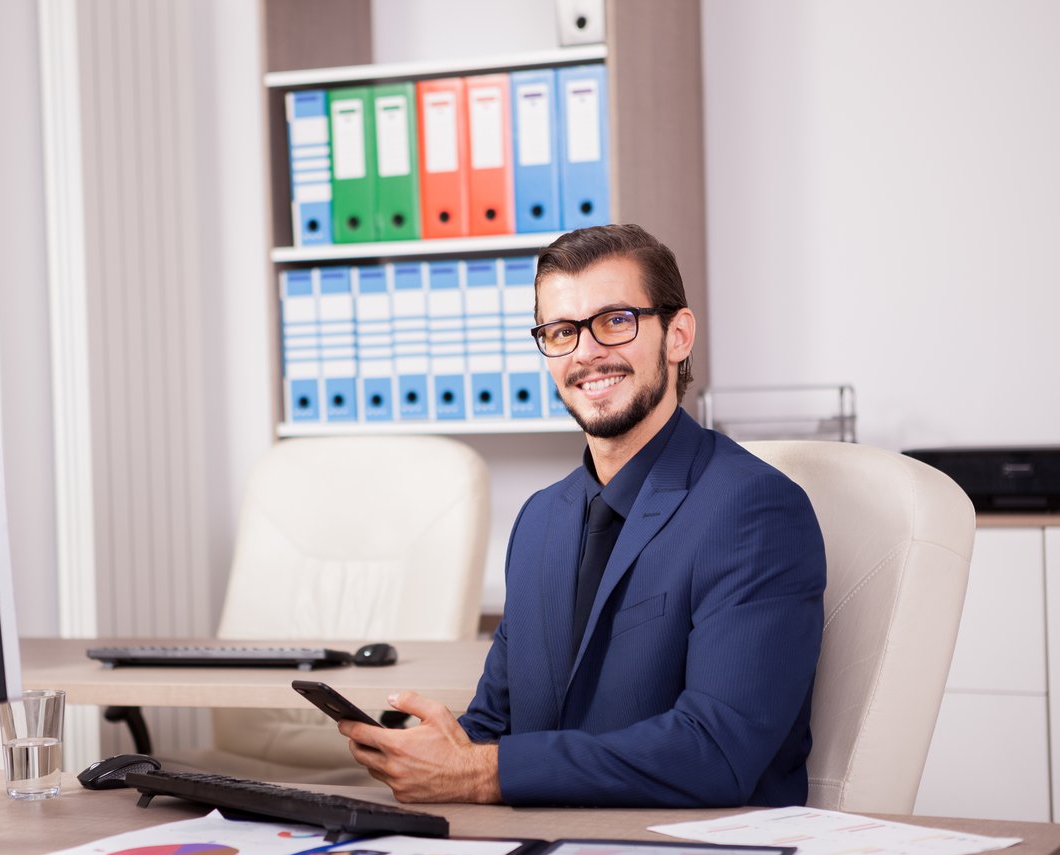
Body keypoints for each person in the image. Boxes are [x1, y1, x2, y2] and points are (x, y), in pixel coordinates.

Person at [339, 224, 826, 808]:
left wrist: (479, 773)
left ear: (678, 335)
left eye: (615, 320)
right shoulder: (541, 518)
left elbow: (716, 752)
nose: (586, 353)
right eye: (562, 331)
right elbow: (499, 723)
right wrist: (433, 749)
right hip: (542, 850)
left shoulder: (754, 511)